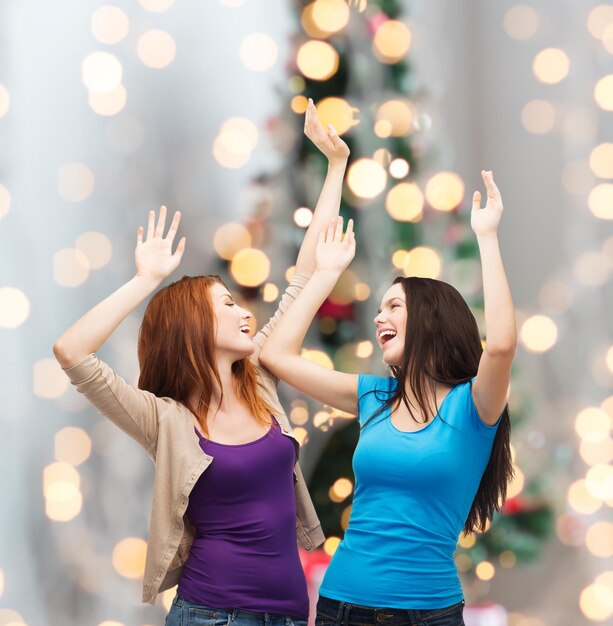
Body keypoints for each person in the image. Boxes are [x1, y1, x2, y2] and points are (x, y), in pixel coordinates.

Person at [53, 100, 350, 624]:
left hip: (286, 615)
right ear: (193, 331)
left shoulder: (260, 378)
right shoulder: (163, 420)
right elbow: (73, 352)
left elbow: (305, 273)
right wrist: (145, 281)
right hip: (211, 616)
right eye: (227, 305)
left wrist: (335, 168)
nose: (243, 312)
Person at [259, 171, 515, 626]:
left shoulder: (473, 407)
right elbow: (276, 355)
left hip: (428, 615)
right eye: (379, 309)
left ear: (432, 319)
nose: (379, 317)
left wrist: (488, 237)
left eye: (394, 306)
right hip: (342, 607)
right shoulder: (373, 396)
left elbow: (499, 345)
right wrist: (326, 274)